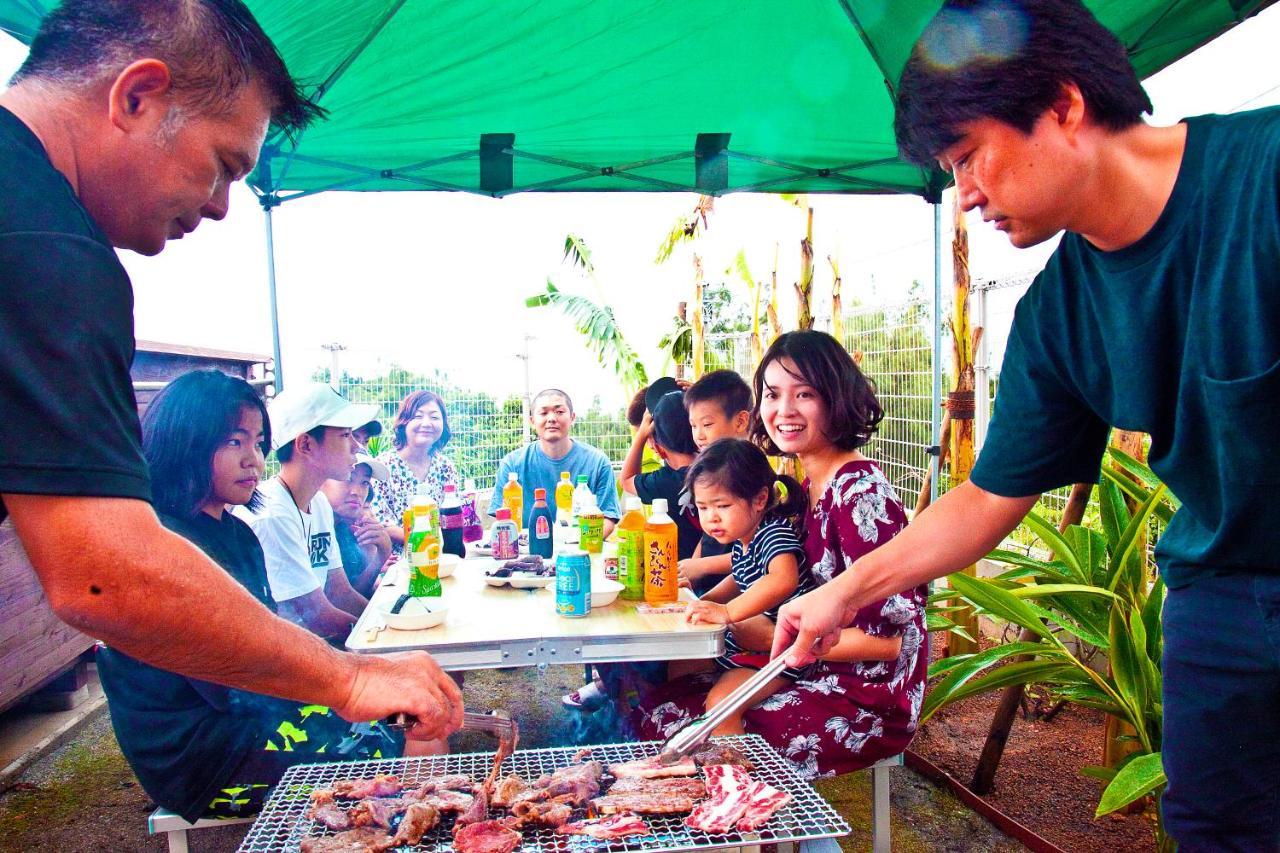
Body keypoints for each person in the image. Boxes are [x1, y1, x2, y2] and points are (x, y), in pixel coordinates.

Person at [771, 2, 1280, 845]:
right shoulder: (1059, 315)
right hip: (1219, 593)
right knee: (1215, 828)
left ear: (1064, 105)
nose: (964, 196)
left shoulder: (1262, 179)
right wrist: (843, 592)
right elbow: (985, 497)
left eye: (968, 157)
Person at [0, 0, 460, 746]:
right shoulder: (47, 247)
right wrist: (348, 677)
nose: (219, 207)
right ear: (136, 96)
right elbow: (102, 573)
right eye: (224, 165)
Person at [98, 371, 405, 821]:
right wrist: (346, 681)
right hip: (205, 758)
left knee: (392, 723)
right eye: (233, 442)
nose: (254, 461)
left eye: (258, 443)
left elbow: (262, 655)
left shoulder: (237, 532)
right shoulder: (163, 544)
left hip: (245, 716)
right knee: (378, 746)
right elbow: (235, 676)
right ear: (185, 443)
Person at [638, 331, 927, 779]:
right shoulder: (810, 486)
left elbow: (888, 644)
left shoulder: (860, 494)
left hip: (863, 694)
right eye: (772, 394)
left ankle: (756, 833)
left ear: (837, 398)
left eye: (805, 393)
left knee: (689, 729)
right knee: (658, 698)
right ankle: (764, 834)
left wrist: (776, 638)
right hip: (806, 666)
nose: (784, 410)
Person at [680, 439, 814, 734]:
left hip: (780, 653)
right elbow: (739, 578)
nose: (711, 517)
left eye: (722, 506)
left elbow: (782, 579)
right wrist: (701, 601)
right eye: (703, 507)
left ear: (759, 499)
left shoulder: (773, 533)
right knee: (678, 661)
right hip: (749, 645)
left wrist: (727, 612)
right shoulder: (744, 538)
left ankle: (734, 775)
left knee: (721, 703)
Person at [236, 383, 372, 639]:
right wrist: (385, 640)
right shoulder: (272, 515)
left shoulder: (318, 503)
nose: (357, 446)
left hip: (317, 647)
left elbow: (339, 592)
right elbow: (318, 616)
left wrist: (388, 625)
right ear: (306, 445)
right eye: (344, 435)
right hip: (285, 661)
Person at [491, 388, 620, 533]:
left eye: (559, 412)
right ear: (532, 421)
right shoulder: (512, 464)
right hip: (527, 550)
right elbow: (502, 520)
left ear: (572, 417)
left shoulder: (597, 463)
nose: (551, 418)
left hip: (581, 550)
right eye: (543, 413)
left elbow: (608, 518)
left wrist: (573, 547)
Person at [679, 369, 754, 591]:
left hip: (740, 598)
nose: (699, 435)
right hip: (709, 589)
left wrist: (703, 566)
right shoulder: (709, 466)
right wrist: (691, 571)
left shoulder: (749, 469)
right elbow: (707, 535)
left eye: (707, 424)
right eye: (694, 426)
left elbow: (760, 552)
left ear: (740, 421)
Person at [620, 378, 702, 560]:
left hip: (685, 576)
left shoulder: (665, 481)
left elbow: (626, 480)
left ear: (656, 444)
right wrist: (701, 400)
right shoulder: (717, 463)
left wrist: (640, 436)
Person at [370, 390, 460, 551]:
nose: (426, 423)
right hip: (397, 560)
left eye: (434, 417)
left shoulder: (446, 467)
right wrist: (424, 542)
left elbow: (454, 516)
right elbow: (380, 523)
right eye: (418, 416)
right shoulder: (382, 467)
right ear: (404, 422)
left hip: (442, 556)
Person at [323, 453, 393, 598]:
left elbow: (356, 593)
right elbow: (341, 602)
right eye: (349, 478)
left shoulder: (346, 528)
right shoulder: (314, 527)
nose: (357, 492)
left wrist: (380, 555)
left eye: (365, 483)